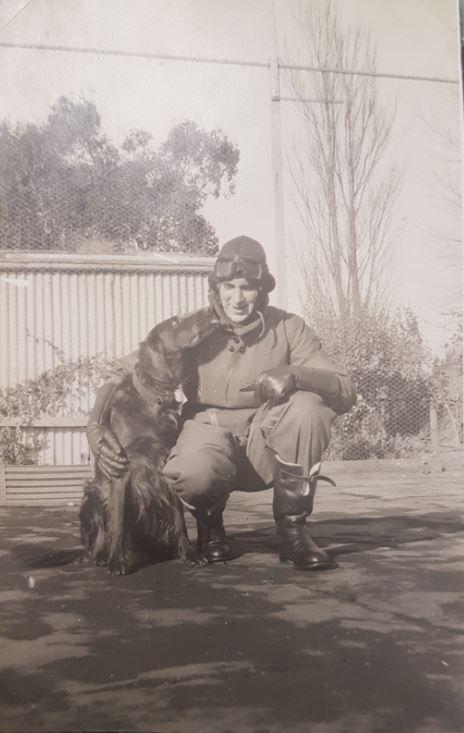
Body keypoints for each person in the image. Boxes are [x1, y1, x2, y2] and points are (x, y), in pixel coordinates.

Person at [86, 236, 356, 571]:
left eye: (247, 287)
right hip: (209, 438)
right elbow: (123, 368)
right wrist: (95, 423)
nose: (237, 298)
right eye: (229, 286)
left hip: (265, 445)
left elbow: (345, 388)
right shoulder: (196, 329)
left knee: (307, 408)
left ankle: (293, 533)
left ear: (262, 290)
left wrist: (296, 374)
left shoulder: (288, 328)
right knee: (189, 470)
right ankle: (211, 530)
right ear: (217, 287)